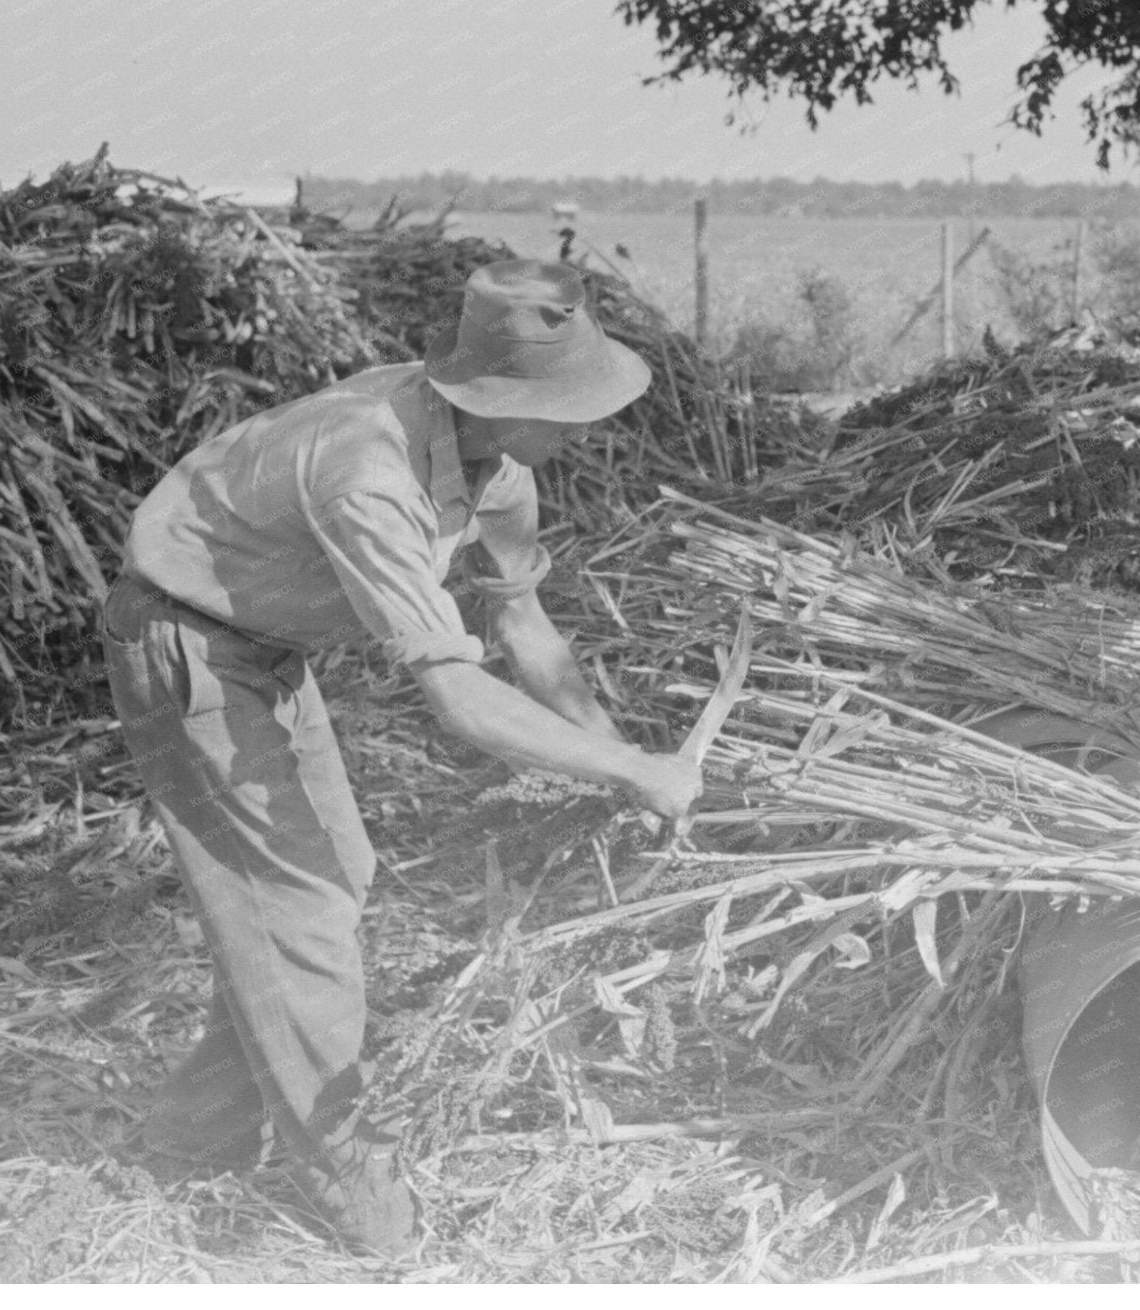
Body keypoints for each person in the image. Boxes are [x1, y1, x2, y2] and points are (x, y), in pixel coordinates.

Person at [101, 259, 702, 1256]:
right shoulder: (368, 470)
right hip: (183, 638)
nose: (581, 427)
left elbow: (527, 628)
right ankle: (358, 1195)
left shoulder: (499, 473)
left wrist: (622, 754)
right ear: (491, 398)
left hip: (263, 647)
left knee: (330, 883)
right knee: (298, 906)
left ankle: (183, 1146)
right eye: (561, 407)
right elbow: (459, 696)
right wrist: (635, 775)